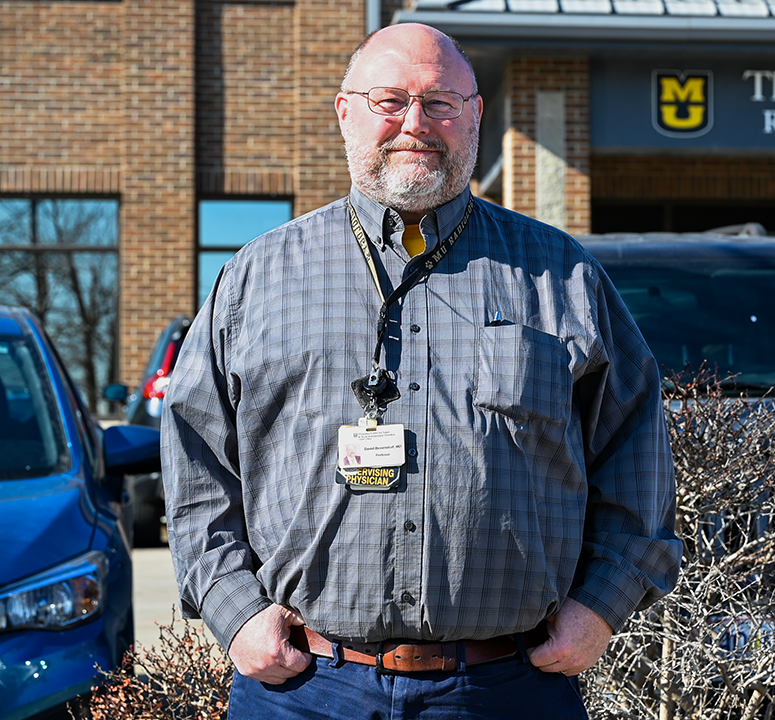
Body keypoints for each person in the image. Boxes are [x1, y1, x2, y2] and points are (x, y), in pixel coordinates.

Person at [161, 23, 681, 719]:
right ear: (345, 112)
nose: (415, 123)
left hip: (505, 688)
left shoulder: (561, 276)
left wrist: (601, 606)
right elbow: (196, 459)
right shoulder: (257, 277)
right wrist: (235, 611)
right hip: (304, 690)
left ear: (476, 114)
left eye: (440, 102)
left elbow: (634, 450)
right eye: (390, 101)